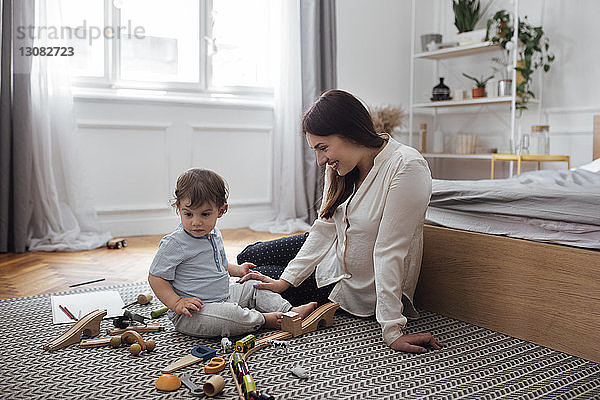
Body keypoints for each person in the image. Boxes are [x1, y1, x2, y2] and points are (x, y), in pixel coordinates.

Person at [238, 89, 444, 353]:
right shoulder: (342, 166)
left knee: (253, 287)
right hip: (334, 253)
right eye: (315, 150)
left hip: (349, 285)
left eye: (322, 148)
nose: (320, 160)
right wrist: (287, 280)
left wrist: (392, 329)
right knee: (250, 255)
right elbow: (324, 228)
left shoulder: (406, 166)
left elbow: (388, 251)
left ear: (350, 132)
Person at [148, 168, 317, 338]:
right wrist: (176, 303)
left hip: (224, 296)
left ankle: (289, 311)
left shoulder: (213, 234)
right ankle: (264, 320)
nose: (196, 222)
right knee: (231, 315)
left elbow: (217, 263)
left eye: (205, 214)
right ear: (178, 208)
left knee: (254, 287)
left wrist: (237, 270)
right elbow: (156, 277)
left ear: (221, 210)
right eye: (188, 214)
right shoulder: (175, 243)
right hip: (193, 313)